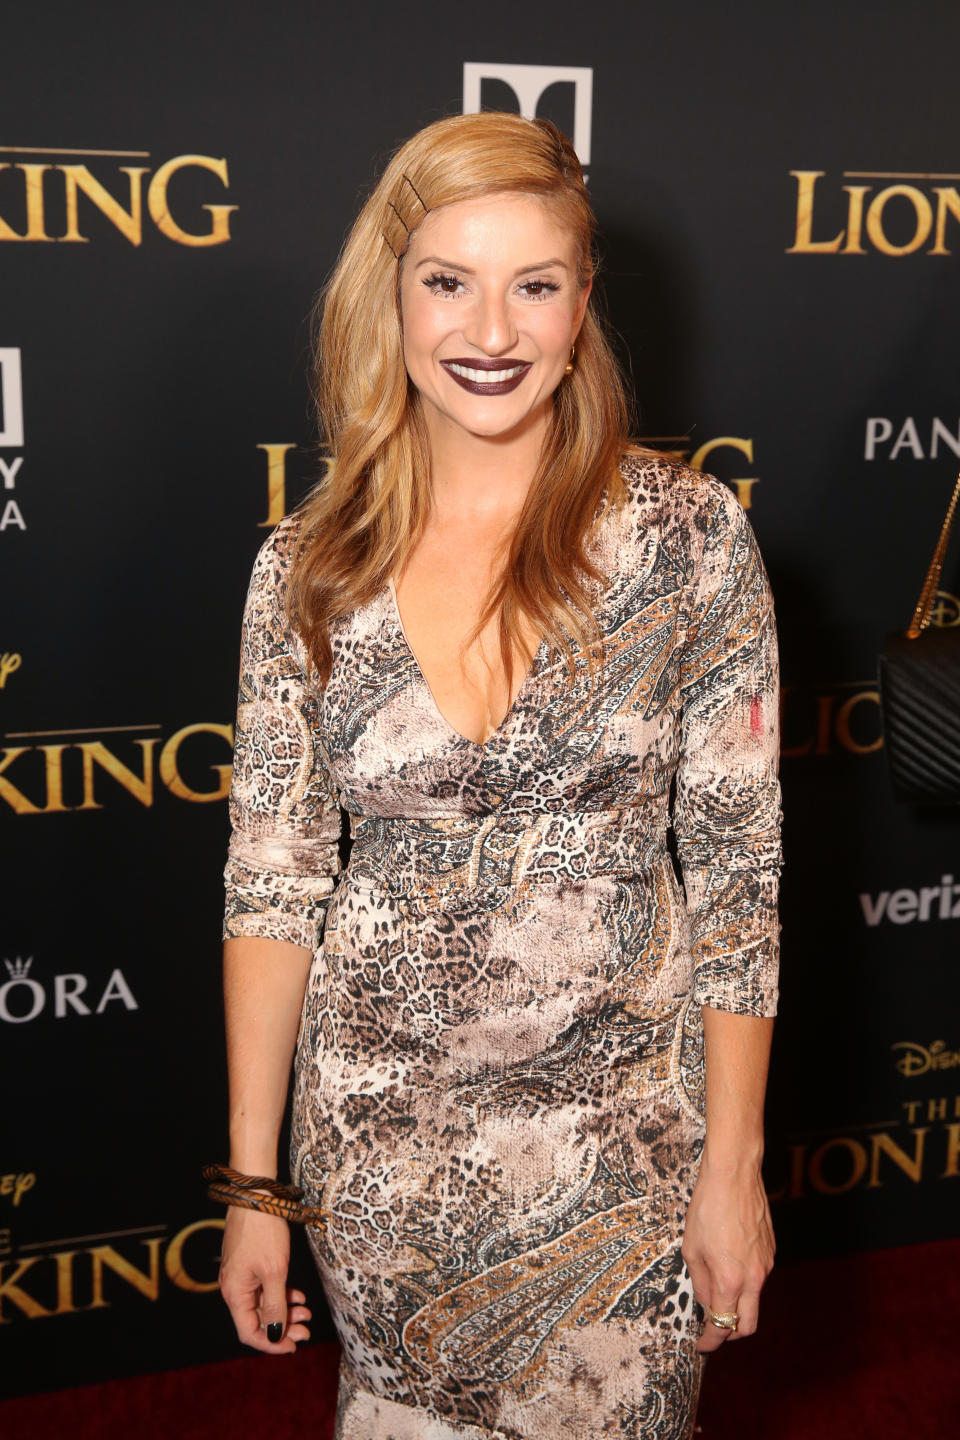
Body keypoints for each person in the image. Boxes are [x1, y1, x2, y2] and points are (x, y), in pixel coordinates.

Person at [211, 110, 781, 1440]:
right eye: (448, 282)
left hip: (625, 1157)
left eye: (535, 286)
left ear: (583, 305)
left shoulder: (691, 541)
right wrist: (253, 1189)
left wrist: (733, 1166)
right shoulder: (311, 567)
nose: (491, 332)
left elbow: (742, 880)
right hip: (380, 1158)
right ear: (391, 295)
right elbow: (271, 882)